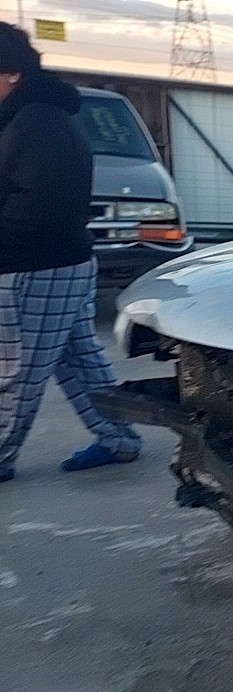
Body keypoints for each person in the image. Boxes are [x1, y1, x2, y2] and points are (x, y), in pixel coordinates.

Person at [0, 22, 141, 483]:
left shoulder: (36, 119)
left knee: (16, 371)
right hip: (59, 262)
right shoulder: (30, 114)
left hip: (34, 265)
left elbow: (42, 205)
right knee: (79, 359)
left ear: (12, 72)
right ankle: (118, 438)